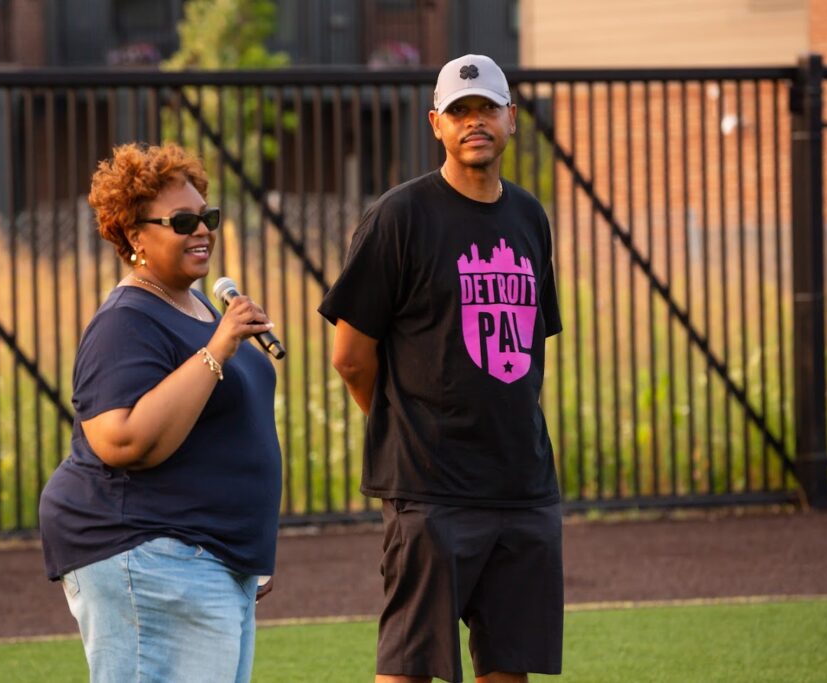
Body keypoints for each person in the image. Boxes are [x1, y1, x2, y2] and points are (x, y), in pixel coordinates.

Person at [319, 54, 564, 683]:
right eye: (459, 112)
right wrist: (408, 427)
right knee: (412, 665)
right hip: (430, 487)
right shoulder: (399, 217)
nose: (474, 122)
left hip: (521, 481)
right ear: (436, 124)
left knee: (510, 665)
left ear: (512, 118)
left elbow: (531, 345)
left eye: (486, 108)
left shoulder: (531, 217)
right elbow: (350, 357)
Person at [38, 142, 282, 683]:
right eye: (182, 220)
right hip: (152, 556)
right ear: (132, 236)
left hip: (209, 559)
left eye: (207, 217)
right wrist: (216, 350)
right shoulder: (126, 320)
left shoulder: (197, 308)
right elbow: (121, 441)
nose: (202, 230)